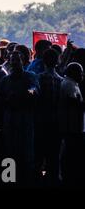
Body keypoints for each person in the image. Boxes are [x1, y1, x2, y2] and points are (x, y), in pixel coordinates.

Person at [0, 51, 39, 185]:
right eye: (12, 61)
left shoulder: (30, 76)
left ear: (23, 61)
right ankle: (10, 180)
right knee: (10, 152)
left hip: (25, 119)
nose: (14, 63)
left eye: (17, 60)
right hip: (10, 120)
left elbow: (34, 89)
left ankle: (27, 181)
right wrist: (8, 99)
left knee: (26, 153)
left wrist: (25, 94)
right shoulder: (5, 80)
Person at [35, 49, 63, 184]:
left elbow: (34, 94)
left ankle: (38, 179)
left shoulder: (39, 78)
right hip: (56, 122)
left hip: (41, 121)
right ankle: (54, 180)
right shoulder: (61, 80)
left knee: (39, 154)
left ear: (43, 61)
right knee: (54, 155)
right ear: (57, 62)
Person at [58, 62, 84, 186]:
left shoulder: (70, 83)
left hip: (71, 126)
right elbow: (74, 102)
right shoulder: (69, 84)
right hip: (72, 127)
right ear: (73, 73)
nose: (82, 75)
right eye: (80, 72)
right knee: (72, 155)